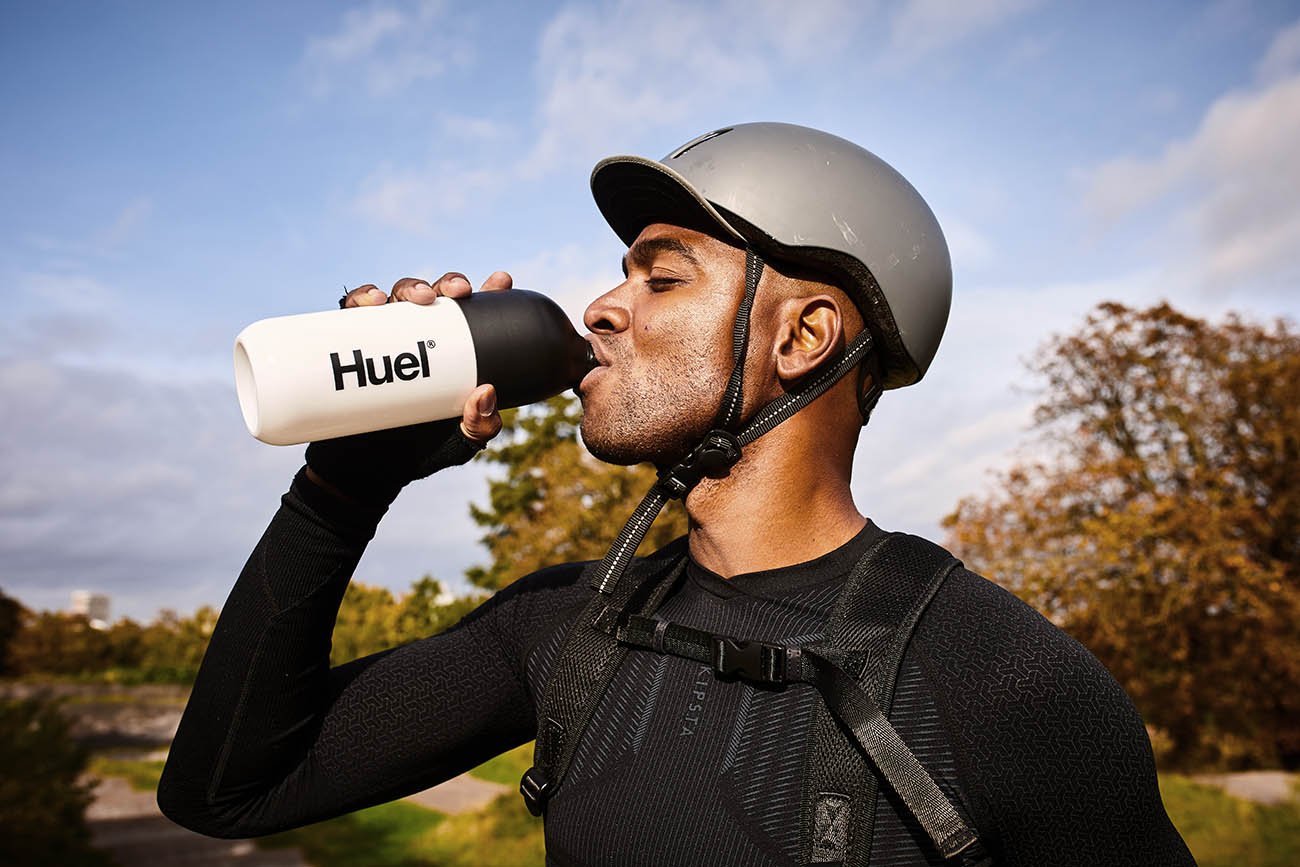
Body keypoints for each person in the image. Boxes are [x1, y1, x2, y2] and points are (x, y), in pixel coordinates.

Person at [158, 123, 1195, 866]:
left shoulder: (1004, 680)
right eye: (622, 276)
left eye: (662, 278)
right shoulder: (571, 624)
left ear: (802, 337)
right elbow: (228, 790)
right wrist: (342, 487)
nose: (602, 308)